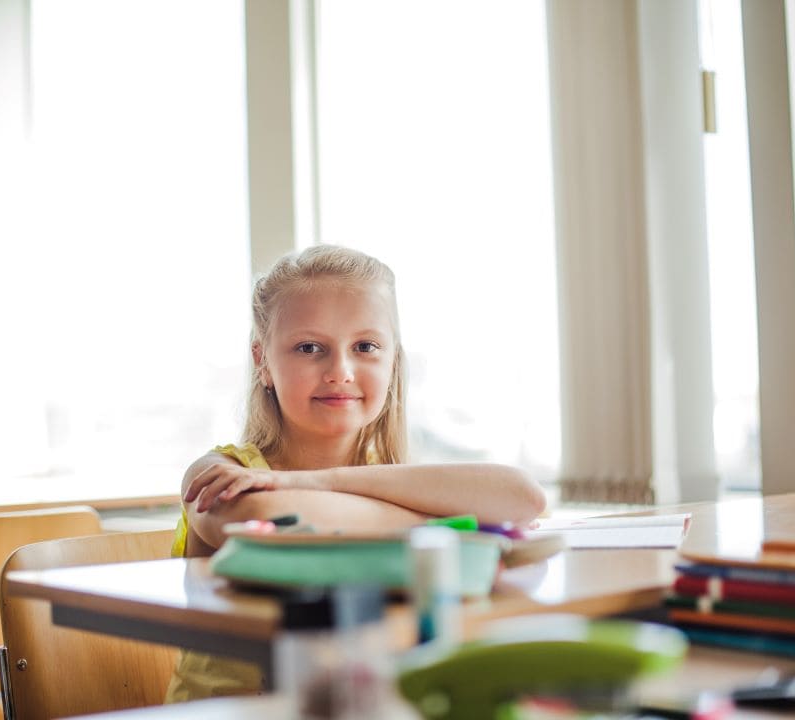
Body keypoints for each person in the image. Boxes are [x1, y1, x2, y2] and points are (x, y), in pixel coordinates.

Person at [164, 244, 546, 701]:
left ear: (392, 361)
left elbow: (525, 498)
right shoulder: (219, 472)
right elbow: (278, 517)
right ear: (262, 361)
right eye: (310, 348)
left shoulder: (384, 479)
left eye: (365, 346)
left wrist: (311, 481)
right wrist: (446, 529)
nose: (340, 371)